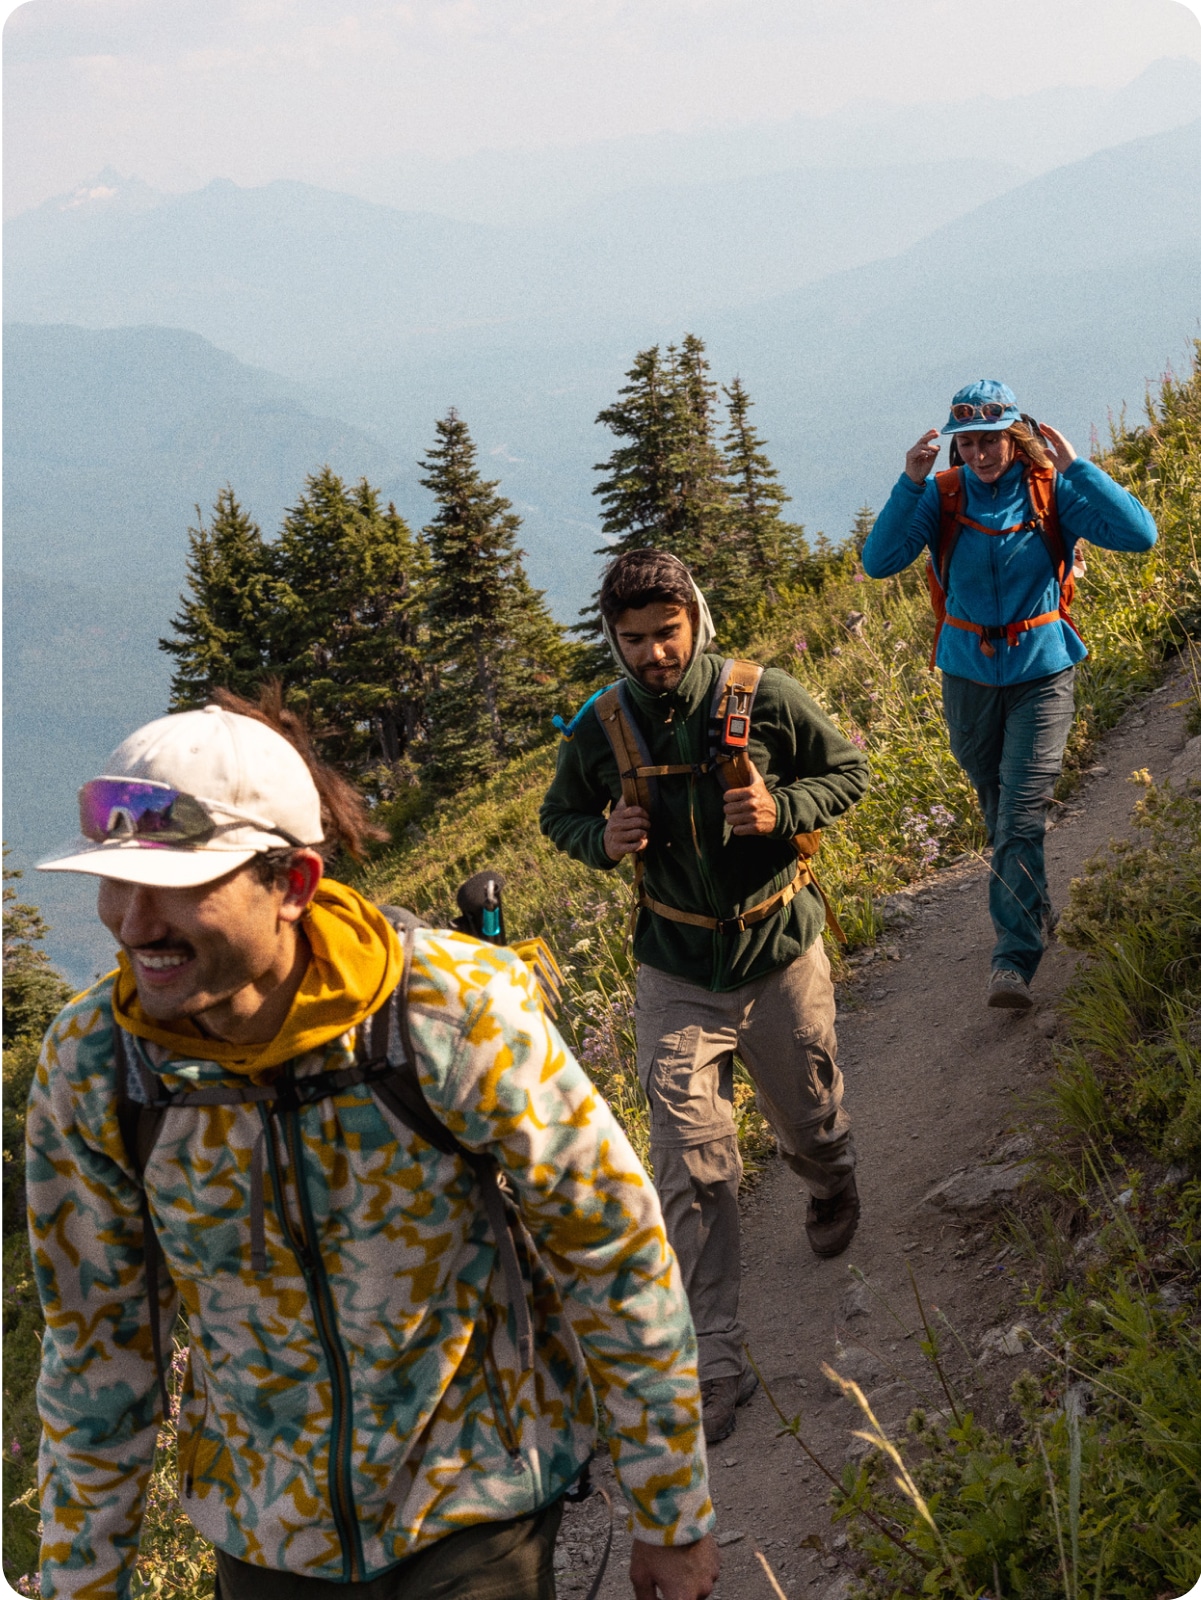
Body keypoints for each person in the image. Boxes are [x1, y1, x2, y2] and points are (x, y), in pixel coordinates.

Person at [29, 689, 719, 1600]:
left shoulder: (445, 1013)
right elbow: (96, 1344)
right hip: (265, 1537)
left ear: (293, 886)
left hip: (472, 1505)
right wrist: (83, 1582)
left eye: (180, 885)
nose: (131, 920)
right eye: (115, 881)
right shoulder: (95, 1068)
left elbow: (609, 1247)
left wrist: (671, 1512)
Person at [539, 550, 870, 1446]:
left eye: (666, 632)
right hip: (675, 971)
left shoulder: (766, 695)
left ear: (697, 622)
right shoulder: (599, 727)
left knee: (805, 1111)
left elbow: (847, 772)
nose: (652, 653)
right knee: (691, 1166)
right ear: (613, 640)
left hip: (777, 950)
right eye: (633, 638)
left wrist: (783, 812)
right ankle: (713, 1358)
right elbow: (558, 817)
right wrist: (599, 838)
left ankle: (829, 1170)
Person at [862, 379, 1157, 1008]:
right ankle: (1034, 904)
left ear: (1013, 434)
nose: (978, 452)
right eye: (965, 442)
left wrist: (1078, 468)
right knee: (997, 802)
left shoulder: (1049, 490)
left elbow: (1141, 535)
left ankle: (1013, 959)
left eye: (990, 439)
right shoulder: (939, 497)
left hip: (1042, 671)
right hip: (967, 673)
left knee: (1020, 811)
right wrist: (909, 483)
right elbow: (879, 561)